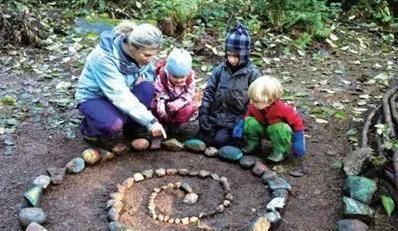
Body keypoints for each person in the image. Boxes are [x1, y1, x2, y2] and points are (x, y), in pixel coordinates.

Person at [75, 21, 167, 143]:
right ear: (133, 47)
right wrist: (150, 121)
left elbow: (149, 75)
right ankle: (89, 129)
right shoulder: (103, 58)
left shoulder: (141, 54)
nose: (151, 59)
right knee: (113, 124)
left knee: (147, 88)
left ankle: (132, 129)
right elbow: (120, 95)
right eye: (147, 55)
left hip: (124, 92)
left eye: (153, 55)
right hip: (95, 97)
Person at [198, 22, 261, 147]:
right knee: (203, 137)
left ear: (244, 54)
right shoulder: (220, 69)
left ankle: (243, 137)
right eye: (229, 55)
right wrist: (204, 111)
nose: (231, 59)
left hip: (236, 118)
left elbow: (255, 102)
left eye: (235, 56)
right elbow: (209, 91)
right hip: (216, 115)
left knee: (220, 141)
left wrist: (241, 120)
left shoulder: (252, 74)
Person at [233, 75, 306, 163]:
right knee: (250, 122)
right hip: (264, 129)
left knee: (278, 128)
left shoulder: (283, 109)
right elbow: (248, 115)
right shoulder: (254, 106)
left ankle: (280, 151)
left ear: (269, 101)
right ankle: (253, 144)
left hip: (279, 134)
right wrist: (240, 126)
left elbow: (297, 122)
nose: (251, 102)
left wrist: (299, 140)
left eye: (255, 101)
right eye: (251, 99)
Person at [151, 48, 196, 130]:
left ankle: (175, 124)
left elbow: (190, 93)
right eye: (175, 77)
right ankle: (161, 124)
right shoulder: (162, 76)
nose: (178, 80)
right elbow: (157, 93)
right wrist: (161, 105)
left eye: (182, 77)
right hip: (165, 101)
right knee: (154, 105)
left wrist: (179, 102)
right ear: (169, 72)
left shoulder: (190, 77)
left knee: (190, 107)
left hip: (180, 102)